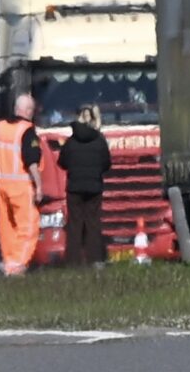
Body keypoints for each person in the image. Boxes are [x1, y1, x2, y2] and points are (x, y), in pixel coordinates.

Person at [0, 94, 43, 276]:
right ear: (28, 111)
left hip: (1, 185)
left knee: (7, 227)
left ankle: (9, 263)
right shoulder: (26, 130)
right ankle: (18, 264)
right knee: (28, 226)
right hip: (21, 185)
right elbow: (32, 161)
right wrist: (39, 186)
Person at [57, 104, 110, 267]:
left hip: (74, 188)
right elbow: (107, 164)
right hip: (94, 187)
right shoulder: (99, 141)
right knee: (93, 223)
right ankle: (95, 259)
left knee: (75, 224)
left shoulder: (70, 142)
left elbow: (62, 162)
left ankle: (73, 261)